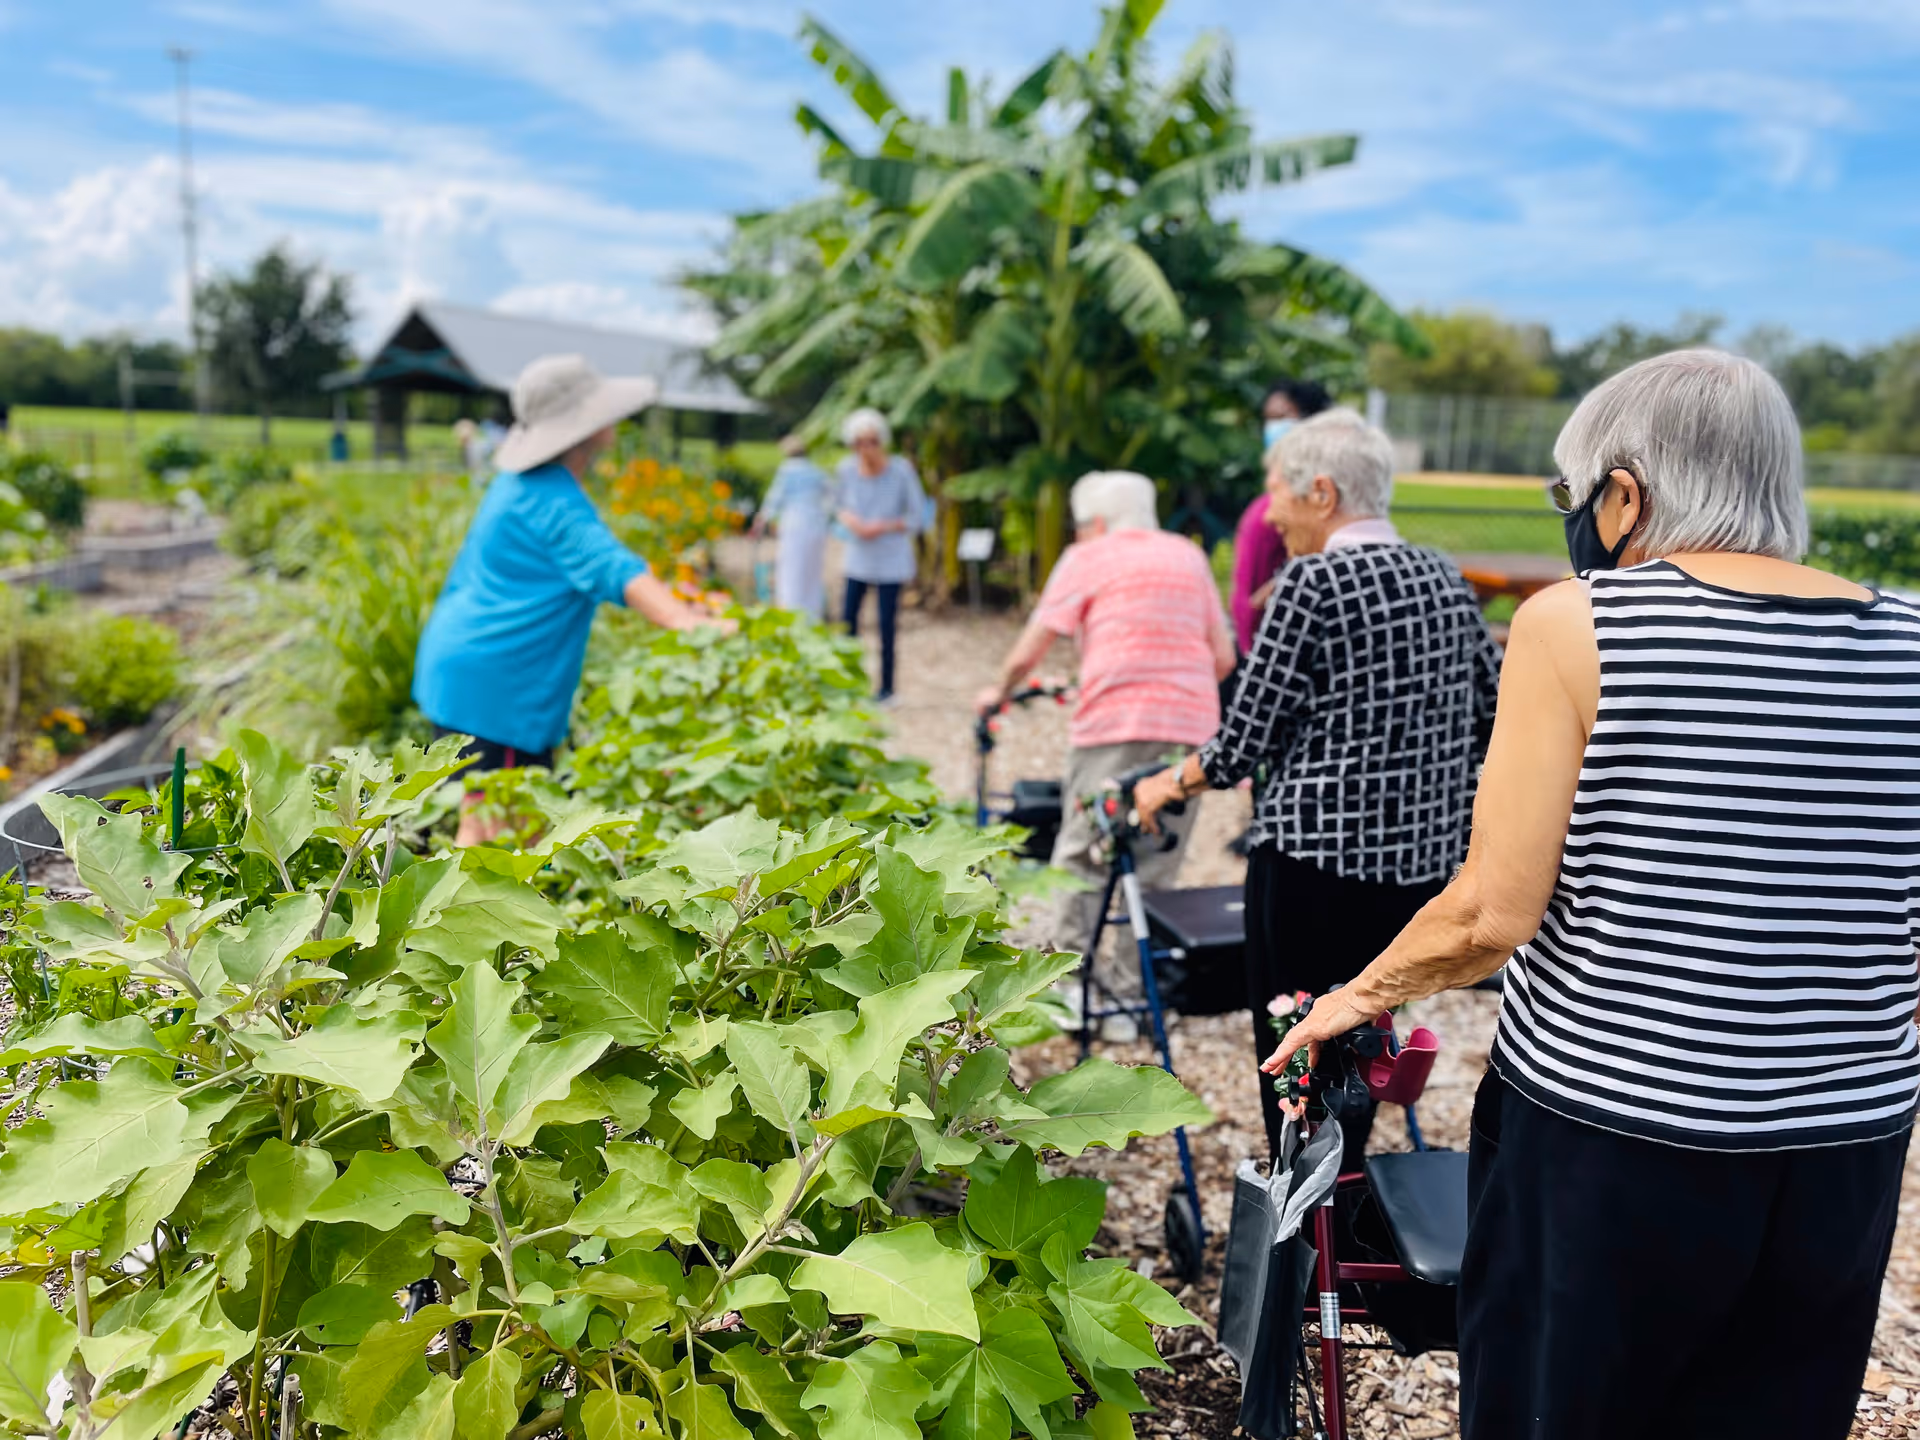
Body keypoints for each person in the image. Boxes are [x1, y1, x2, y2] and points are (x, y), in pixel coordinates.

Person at [1265, 351, 1920, 1440]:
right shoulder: (1908, 639)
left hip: (1619, 1135)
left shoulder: (1584, 624)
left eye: (1575, 495)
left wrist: (1351, 999)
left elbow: (1492, 912)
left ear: (1627, 492)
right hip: (1842, 1144)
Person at [1133, 408, 1501, 1161]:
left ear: (1322, 493)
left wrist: (1165, 782)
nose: (1271, 515)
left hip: (1314, 869)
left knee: (1299, 1053)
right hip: (1415, 875)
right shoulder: (1446, 576)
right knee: (1365, 1045)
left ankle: (1304, 1240)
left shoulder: (1313, 580)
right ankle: (1344, 1206)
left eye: (1277, 494)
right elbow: (1491, 713)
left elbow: (1244, 740)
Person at [414, 353, 728, 844]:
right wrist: (688, 623)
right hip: (496, 690)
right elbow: (610, 565)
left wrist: (683, 598)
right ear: (584, 426)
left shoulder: (526, 482)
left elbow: (593, 555)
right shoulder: (552, 499)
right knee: (497, 832)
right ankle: (474, 919)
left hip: (469, 670)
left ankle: (472, 915)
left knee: (500, 823)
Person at [975, 470, 1235, 989]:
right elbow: (1222, 657)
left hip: (1115, 725)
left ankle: (1072, 987)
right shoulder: (1188, 554)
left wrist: (997, 692)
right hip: (1189, 728)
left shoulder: (1086, 557)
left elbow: (1032, 648)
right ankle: (1132, 991)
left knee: (1084, 852)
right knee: (1158, 858)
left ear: (1095, 522)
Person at [1229, 378, 1332, 654]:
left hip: (1277, 647)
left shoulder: (1310, 500)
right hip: (1253, 645)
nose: (1273, 427)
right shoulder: (1277, 496)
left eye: (1282, 417)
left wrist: (1279, 588)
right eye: (1269, 418)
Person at [835, 408, 925, 702]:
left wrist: (884, 526)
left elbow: (918, 515)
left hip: (890, 558)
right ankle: (846, 683)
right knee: (848, 622)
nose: (867, 449)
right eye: (860, 442)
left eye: (872, 441)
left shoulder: (901, 470)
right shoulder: (846, 470)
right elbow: (837, 506)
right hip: (858, 557)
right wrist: (853, 522)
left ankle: (887, 688)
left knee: (886, 625)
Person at [749, 434, 832, 619]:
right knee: (812, 570)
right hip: (816, 525)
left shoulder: (788, 470)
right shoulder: (816, 470)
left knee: (791, 570)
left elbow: (774, 498)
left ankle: (791, 612)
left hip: (794, 524)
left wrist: (762, 518)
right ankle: (812, 614)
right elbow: (831, 496)